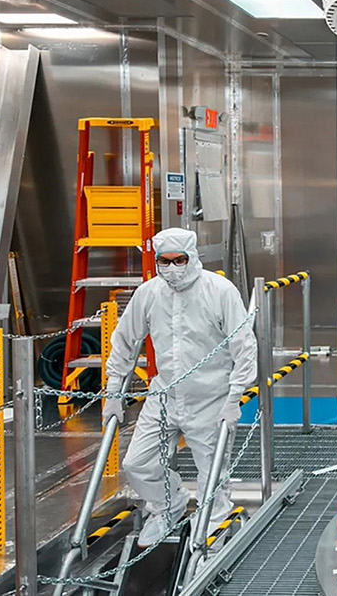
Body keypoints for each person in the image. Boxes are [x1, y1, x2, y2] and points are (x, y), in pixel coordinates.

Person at [103, 228, 257, 547]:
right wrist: (114, 391)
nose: (172, 268)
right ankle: (168, 506)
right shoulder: (149, 293)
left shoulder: (219, 291)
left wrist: (234, 397)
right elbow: (124, 340)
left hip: (210, 398)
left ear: (192, 257)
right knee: (137, 463)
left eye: (179, 260)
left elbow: (244, 346)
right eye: (165, 261)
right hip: (164, 396)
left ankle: (209, 540)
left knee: (212, 475)